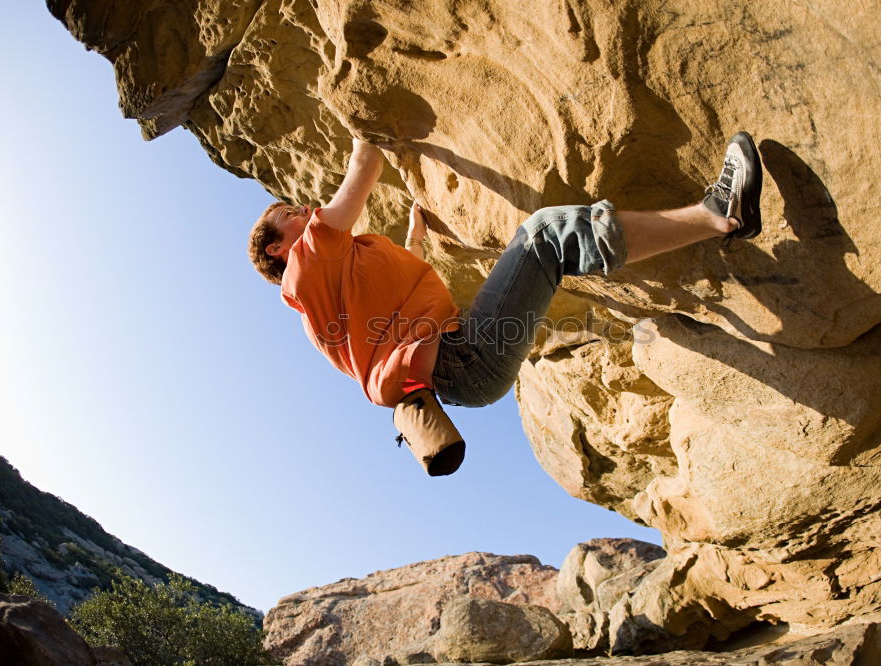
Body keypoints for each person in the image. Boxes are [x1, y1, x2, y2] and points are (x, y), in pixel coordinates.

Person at [248, 133, 762, 474]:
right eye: (293, 214)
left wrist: (416, 235)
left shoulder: (333, 286)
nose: (307, 211)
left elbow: (402, 278)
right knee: (544, 237)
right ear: (278, 247)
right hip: (460, 357)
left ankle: (716, 216)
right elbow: (363, 167)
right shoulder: (305, 267)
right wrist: (363, 119)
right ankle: (719, 212)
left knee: (544, 244)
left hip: (462, 366)